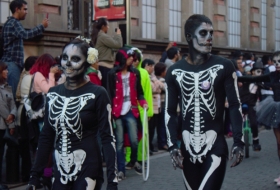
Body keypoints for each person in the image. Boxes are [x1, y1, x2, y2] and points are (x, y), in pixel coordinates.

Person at [165, 14, 244, 190]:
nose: (209, 38)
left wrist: (239, 141)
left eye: (211, 33)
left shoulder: (224, 66)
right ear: (189, 37)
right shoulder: (174, 71)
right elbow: (169, 111)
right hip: (186, 148)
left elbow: (234, 105)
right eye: (203, 33)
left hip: (214, 144)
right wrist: (172, 146)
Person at [26, 38, 118, 189]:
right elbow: (46, 136)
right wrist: (34, 176)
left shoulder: (98, 93)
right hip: (60, 169)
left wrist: (112, 180)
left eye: (75, 59)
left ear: (87, 62)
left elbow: (108, 137)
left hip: (88, 167)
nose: (67, 63)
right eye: (64, 58)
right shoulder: (53, 94)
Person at [107, 47, 148, 181]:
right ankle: (121, 170)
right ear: (123, 58)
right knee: (119, 143)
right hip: (117, 111)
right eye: (130, 57)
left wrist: (143, 103)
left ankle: (133, 161)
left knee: (135, 140)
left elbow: (140, 92)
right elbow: (109, 93)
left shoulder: (135, 73)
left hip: (131, 109)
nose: (133, 60)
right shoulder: (112, 74)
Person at [0, 0, 48, 97]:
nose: (26, 12)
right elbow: (25, 35)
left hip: (10, 64)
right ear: (17, 9)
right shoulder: (14, 23)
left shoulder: (10, 23)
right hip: (12, 64)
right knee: (11, 97)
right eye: (24, 9)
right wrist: (41, 26)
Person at [15, 56, 37, 182]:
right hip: (28, 112)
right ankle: (30, 174)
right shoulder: (30, 77)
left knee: (25, 145)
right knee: (30, 144)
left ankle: (27, 174)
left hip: (23, 111)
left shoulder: (24, 76)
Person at [91, 17, 123, 88]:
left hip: (105, 67)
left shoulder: (100, 36)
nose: (108, 28)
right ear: (103, 26)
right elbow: (118, 44)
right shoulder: (102, 36)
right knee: (107, 90)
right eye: (107, 25)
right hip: (105, 68)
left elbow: (114, 46)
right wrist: (118, 35)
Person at [0, 62, 17, 188]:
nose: (7, 72)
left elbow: (12, 105)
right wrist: (9, 120)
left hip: (4, 125)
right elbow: (2, 106)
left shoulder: (7, 86)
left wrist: (12, 116)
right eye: (4, 70)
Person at [154, 62, 168, 151]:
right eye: (165, 70)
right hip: (161, 104)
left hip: (159, 104)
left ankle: (162, 142)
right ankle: (162, 143)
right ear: (162, 71)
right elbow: (166, 88)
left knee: (160, 125)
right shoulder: (161, 80)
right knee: (162, 125)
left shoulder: (156, 79)